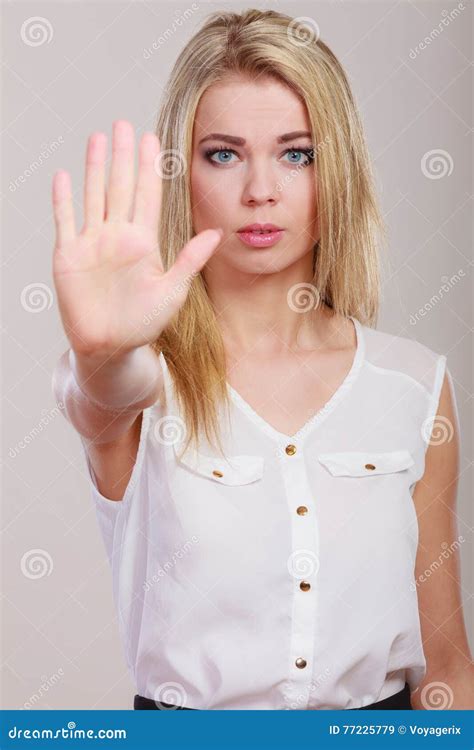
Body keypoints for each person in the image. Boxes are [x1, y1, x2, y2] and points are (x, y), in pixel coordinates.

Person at [51, 9, 472, 710]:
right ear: (180, 173)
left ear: (335, 168)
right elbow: (98, 395)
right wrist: (100, 353)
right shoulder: (143, 380)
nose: (260, 191)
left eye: (295, 153)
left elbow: (449, 661)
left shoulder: (415, 385)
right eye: (223, 153)